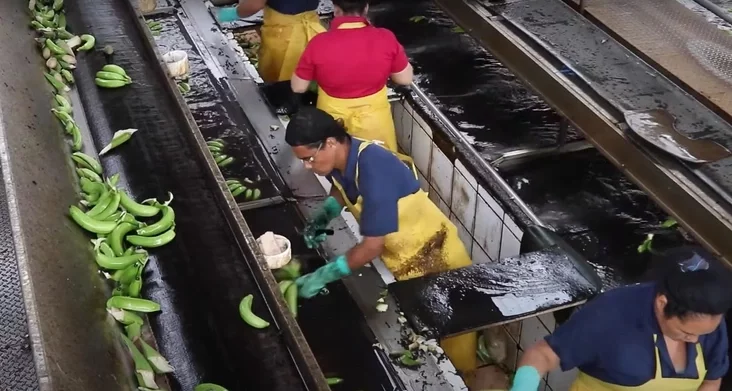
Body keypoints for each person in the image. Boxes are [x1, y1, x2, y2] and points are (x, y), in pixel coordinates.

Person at [285, 107, 478, 381]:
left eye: (309, 158)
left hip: (438, 259)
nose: (307, 166)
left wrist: (324, 274)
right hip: (404, 260)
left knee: (453, 345)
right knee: (424, 340)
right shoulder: (340, 158)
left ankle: (468, 380)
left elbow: (371, 247)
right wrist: (325, 215)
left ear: (329, 143)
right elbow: (340, 188)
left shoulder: (372, 168)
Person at [511, 246, 732, 391]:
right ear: (662, 303)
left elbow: (712, 380)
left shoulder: (707, 318)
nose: (694, 340)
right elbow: (542, 354)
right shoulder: (610, 315)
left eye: (703, 334)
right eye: (686, 332)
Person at [290, 0, 414, 152]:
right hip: (375, 122)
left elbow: (298, 87)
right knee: (379, 163)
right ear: (366, 8)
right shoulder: (385, 38)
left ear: (336, 9)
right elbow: (405, 79)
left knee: (336, 167)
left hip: (333, 124)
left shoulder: (319, 43)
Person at [216, 0, 325, 83]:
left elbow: (254, 4)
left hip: (284, 38)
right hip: (314, 32)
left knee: (281, 81)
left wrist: (232, 13)